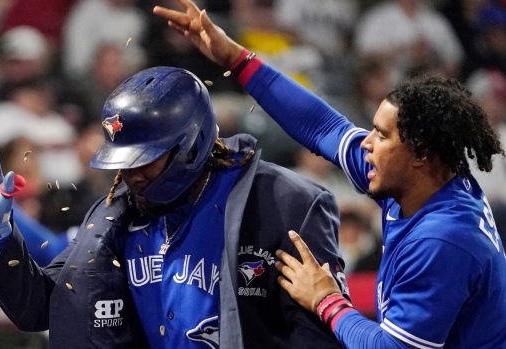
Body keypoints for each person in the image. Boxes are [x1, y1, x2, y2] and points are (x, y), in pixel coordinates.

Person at [152, 1, 506, 348]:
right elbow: (322, 126)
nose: (366, 143)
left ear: (421, 154)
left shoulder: (440, 239)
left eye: (382, 135)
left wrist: (327, 300)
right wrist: (234, 57)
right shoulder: (426, 180)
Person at [0, 66, 349, 348]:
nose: (130, 172)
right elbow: (41, 308)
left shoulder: (285, 204)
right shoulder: (113, 217)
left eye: (144, 158)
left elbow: (315, 336)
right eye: (122, 159)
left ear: (190, 143)